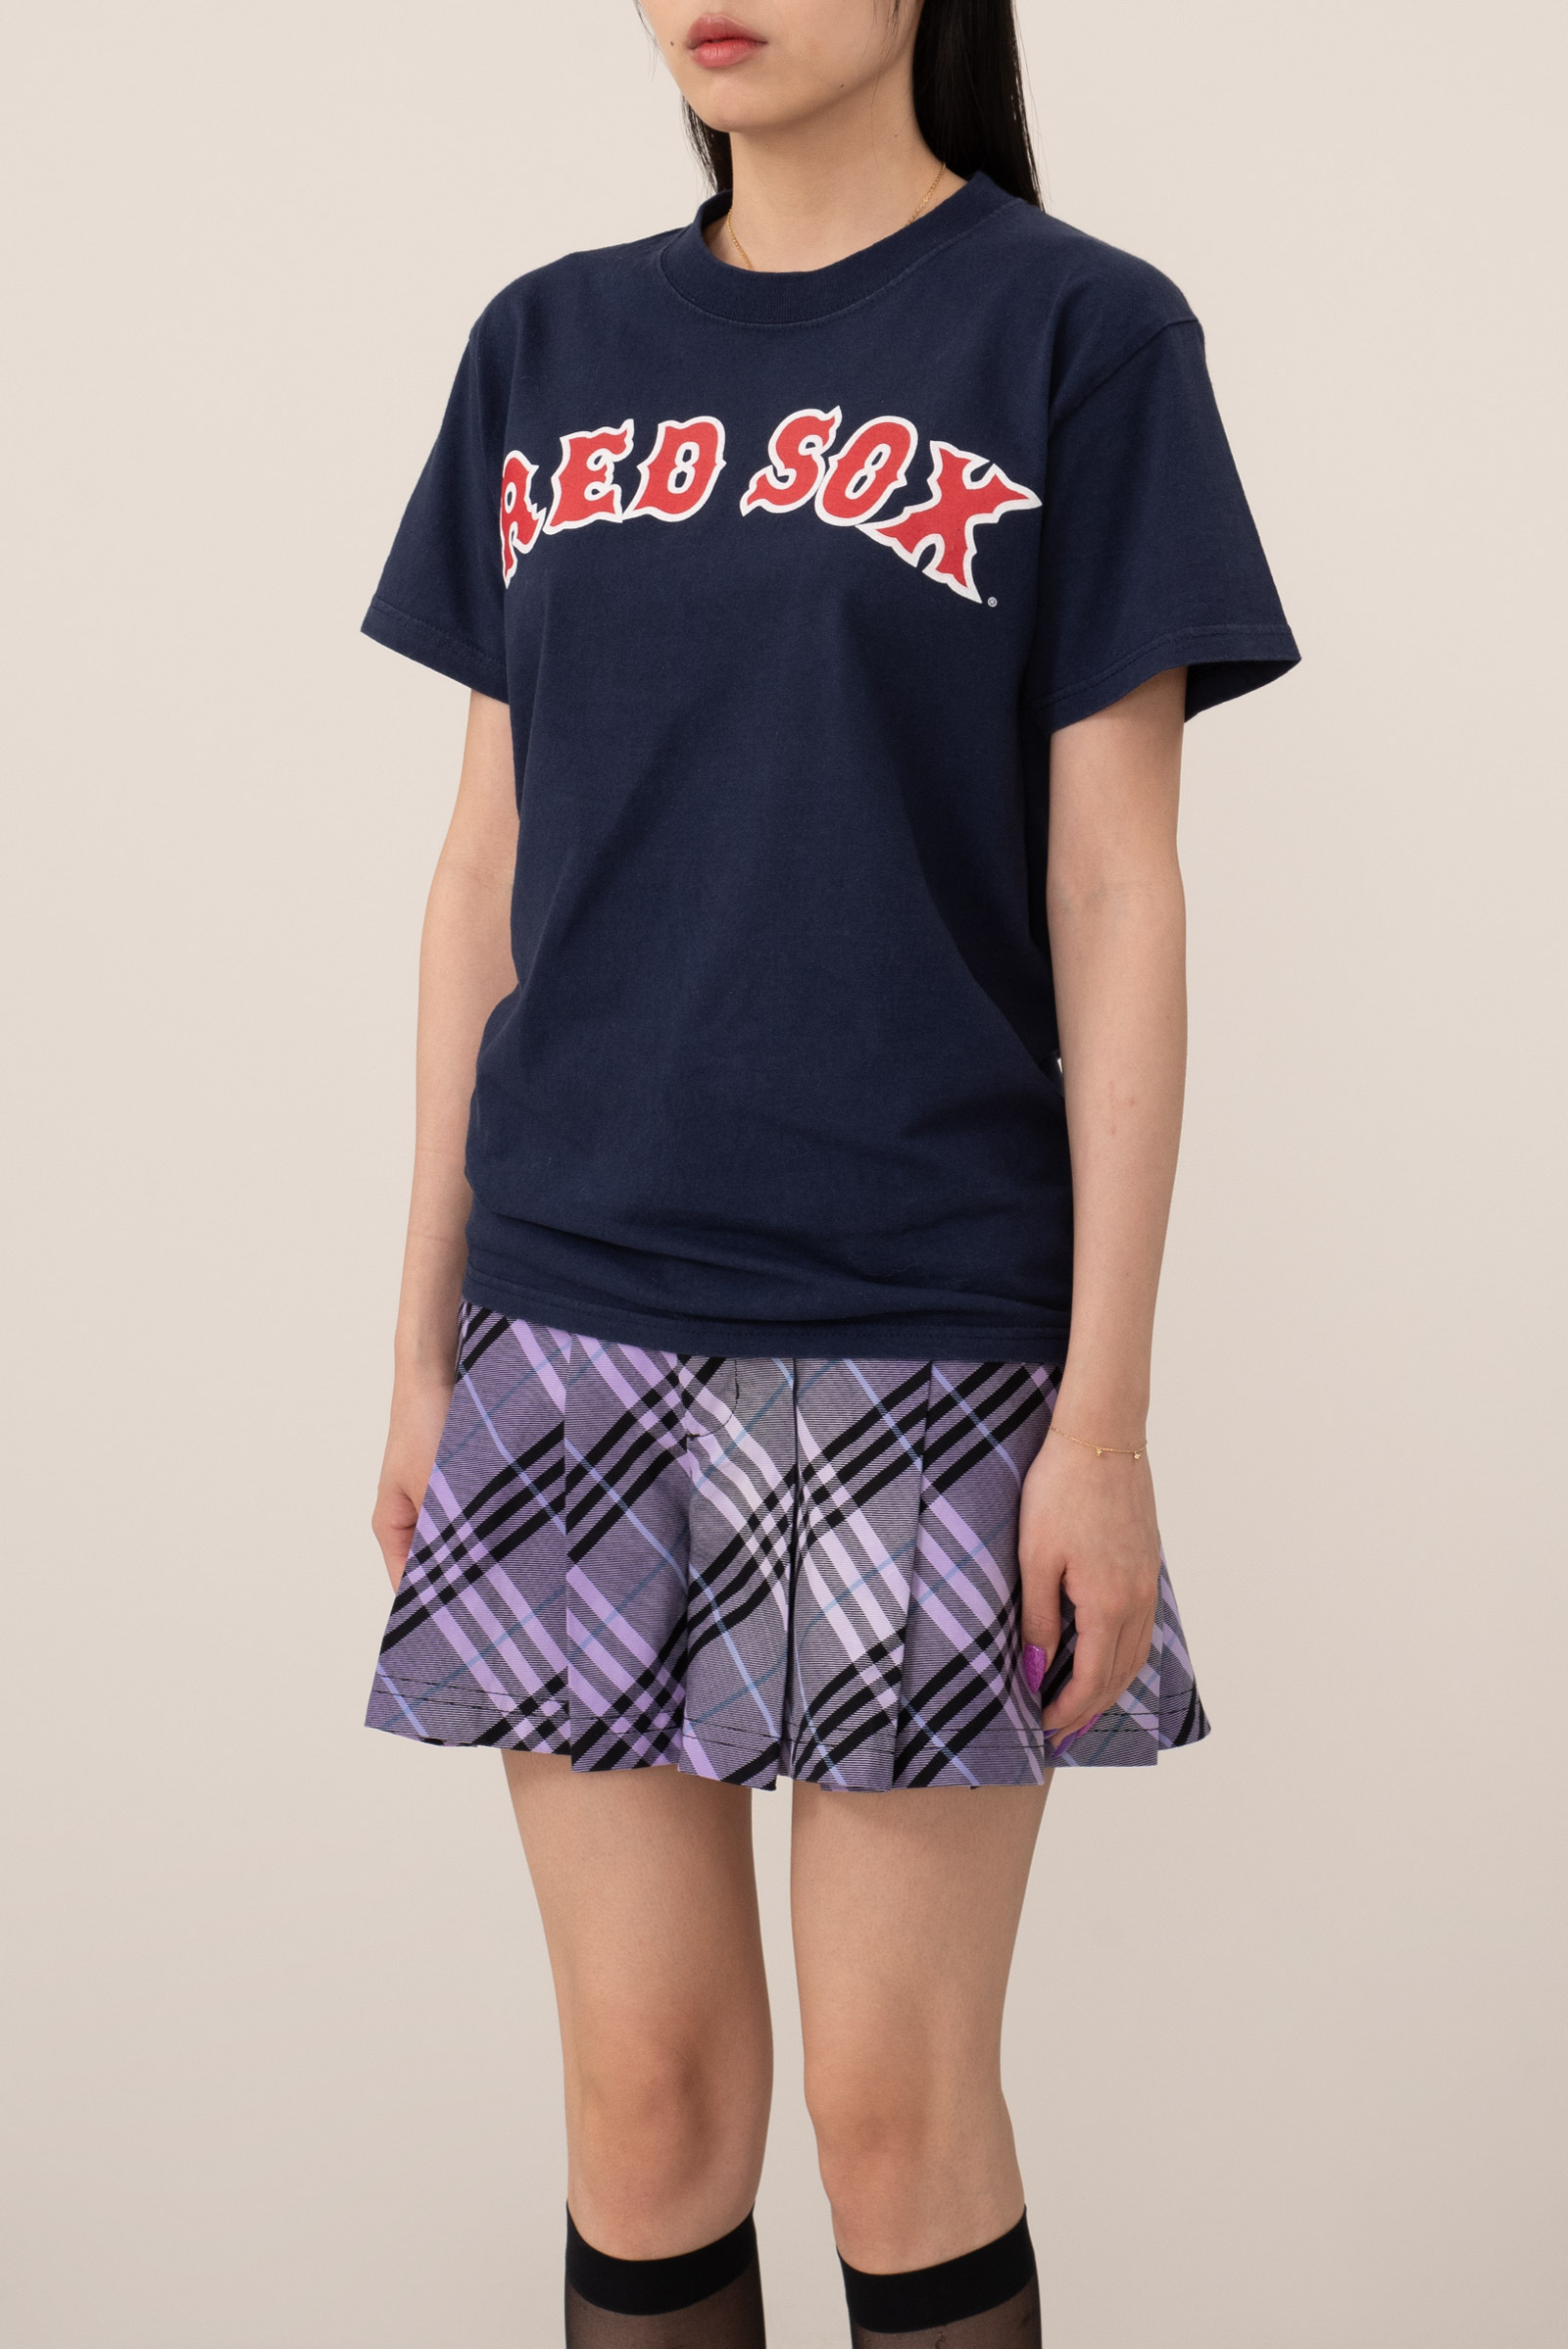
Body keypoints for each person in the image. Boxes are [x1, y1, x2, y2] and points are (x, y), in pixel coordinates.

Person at [360, 4, 1298, 2341]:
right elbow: (481, 870)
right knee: (644, 2100)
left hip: (923, 1322)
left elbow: (1117, 888)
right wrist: (420, 1341)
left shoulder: (1076, 333)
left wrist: (1101, 1416)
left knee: (894, 2120)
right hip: (570, 1314)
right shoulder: (544, 348)